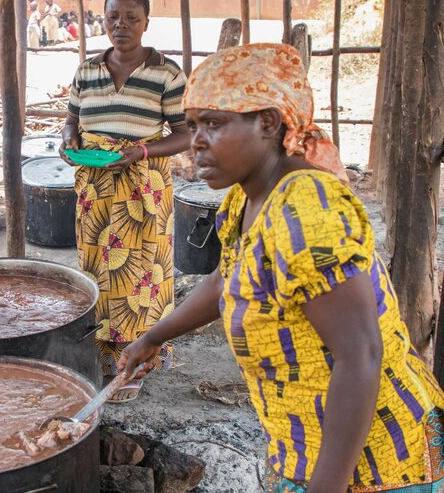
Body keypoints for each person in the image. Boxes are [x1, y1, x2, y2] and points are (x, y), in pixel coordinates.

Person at [119, 42, 444, 492]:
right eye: (193, 125)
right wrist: (153, 337)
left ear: (268, 123)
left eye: (214, 124)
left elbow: (361, 356)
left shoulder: (307, 211)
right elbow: (226, 279)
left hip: (376, 467)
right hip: (303, 449)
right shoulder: (247, 196)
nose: (195, 142)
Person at [59, 0, 191, 402]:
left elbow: (186, 134)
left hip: (142, 187)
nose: (121, 26)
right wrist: (68, 143)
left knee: (139, 271)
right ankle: (104, 350)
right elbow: (72, 119)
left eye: (132, 18)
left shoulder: (167, 73)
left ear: (146, 23)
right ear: (103, 19)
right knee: (98, 264)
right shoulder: (87, 70)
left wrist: (142, 151)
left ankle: (139, 358)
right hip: (94, 186)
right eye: (113, 17)